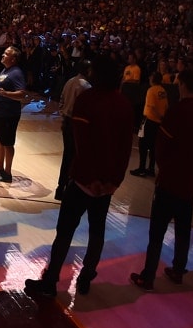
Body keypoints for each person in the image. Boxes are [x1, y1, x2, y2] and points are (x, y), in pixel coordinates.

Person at [24, 54, 132, 298]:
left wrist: (90, 177)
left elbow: (82, 144)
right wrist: (113, 181)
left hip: (84, 179)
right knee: (97, 232)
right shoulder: (124, 104)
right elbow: (125, 148)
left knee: (65, 232)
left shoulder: (88, 100)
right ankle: (85, 278)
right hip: (107, 185)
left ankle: (51, 281)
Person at [130, 70, 193, 290]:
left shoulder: (178, 111)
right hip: (189, 178)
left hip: (171, 178)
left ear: (183, 85)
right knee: (183, 228)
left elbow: (162, 145)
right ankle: (178, 269)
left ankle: (148, 277)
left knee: (157, 231)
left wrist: (163, 167)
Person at [0, 46, 26, 183]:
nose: (3, 55)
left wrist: (6, 94)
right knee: (0, 141)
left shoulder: (16, 73)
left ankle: (7, 173)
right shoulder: (5, 70)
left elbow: (22, 93)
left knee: (8, 143)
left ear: (13, 59)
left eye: (6, 54)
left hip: (9, 114)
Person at [55, 58, 91, 201]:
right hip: (77, 124)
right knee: (75, 157)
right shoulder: (86, 86)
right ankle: (69, 188)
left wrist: (63, 115)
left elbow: (61, 100)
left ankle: (60, 187)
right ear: (87, 70)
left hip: (67, 122)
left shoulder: (69, 81)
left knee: (67, 155)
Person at [131, 70, 169, 177]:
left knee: (143, 145)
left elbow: (152, 106)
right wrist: (162, 117)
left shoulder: (151, 90)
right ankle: (151, 169)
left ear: (153, 79)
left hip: (150, 120)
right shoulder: (163, 90)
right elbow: (166, 106)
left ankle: (142, 168)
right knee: (153, 146)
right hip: (158, 123)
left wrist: (158, 115)